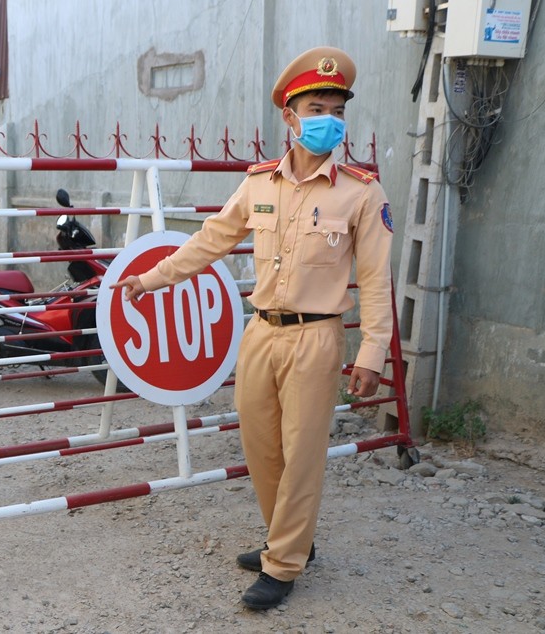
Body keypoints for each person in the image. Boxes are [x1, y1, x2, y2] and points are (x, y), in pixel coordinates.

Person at [113, 46, 394, 610]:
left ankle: (285, 562)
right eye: (316, 107)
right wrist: (151, 279)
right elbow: (212, 240)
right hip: (262, 333)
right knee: (261, 447)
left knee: (303, 452)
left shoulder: (361, 191)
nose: (328, 120)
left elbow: (377, 279)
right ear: (290, 117)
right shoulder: (259, 183)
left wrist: (372, 352)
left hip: (316, 337)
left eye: (336, 109)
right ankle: (287, 538)